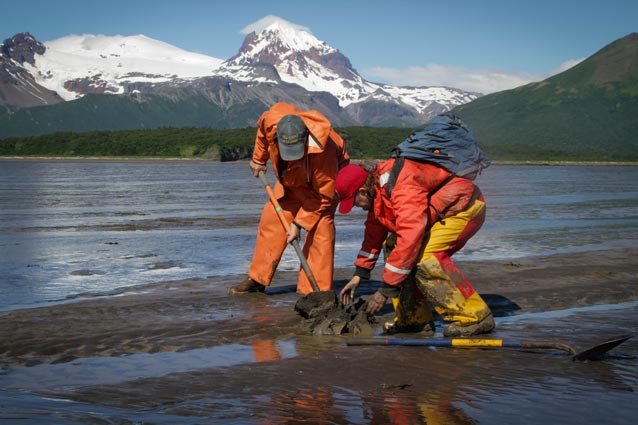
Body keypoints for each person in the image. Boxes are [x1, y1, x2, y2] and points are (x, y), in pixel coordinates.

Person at [335, 161, 494, 337]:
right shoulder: (377, 192)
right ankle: (414, 319)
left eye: (355, 202)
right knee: (392, 246)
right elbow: (374, 235)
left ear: (363, 191)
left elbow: (410, 236)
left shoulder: (401, 186)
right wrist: (359, 275)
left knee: (425, 258)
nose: (359, 207)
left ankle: (474, 317)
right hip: (432, 215)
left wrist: (385, 291)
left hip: (463, 207)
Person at [229, 102, 349, 296]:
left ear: (306, 138)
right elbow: (261, 133)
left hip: (323, 187)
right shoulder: (272, 120)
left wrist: (298, 224)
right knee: (272, 220)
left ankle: (313, 292)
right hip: (291, 181)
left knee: (321, 231)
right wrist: (259, 159)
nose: (291, 156)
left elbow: (324, 196)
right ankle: (257, 279)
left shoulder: (325, 150)